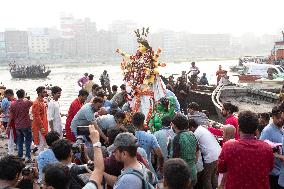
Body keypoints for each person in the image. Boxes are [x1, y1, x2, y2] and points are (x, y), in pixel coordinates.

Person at [218, 110, 274, 189]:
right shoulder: (267, 148)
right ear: (256, 130)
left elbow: (221, 168)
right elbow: (270, 168)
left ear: (238, 128)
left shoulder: (228, 146)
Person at [188, 119, 221, 189]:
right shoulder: (202, 128)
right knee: (213, 176)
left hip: (210, 157)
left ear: (191, 127)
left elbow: (194, 149)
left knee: (206, 179)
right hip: (218, 154)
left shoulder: (196, 134)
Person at [170, 113, 198, 185]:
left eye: (172, 124)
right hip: (193, 172)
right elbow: (197, 151)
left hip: (183, 176)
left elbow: (174, 160)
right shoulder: (191, 134)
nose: (171, 126)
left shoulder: (177, 138)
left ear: (175, 125)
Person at [260, 106, 284, 189]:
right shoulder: (267, 131)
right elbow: (262, 150)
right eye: (278, 118)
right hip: (273, 174)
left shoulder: (282, 128)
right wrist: (277, 156)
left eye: (282, 118)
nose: (280, 120)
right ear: (272, 117)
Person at [9, 89, 33, 161]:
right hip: (26, 124)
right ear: (24, 94)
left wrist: (8, 126)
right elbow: (33, 103)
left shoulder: (13, 104)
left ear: (17, 95)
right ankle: (27, 156)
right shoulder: (26, 102)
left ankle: (20, 155)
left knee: (20, 141)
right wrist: (26, 99)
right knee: (28, 141)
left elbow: (11, 115)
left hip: (17, 125)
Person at [32, 86, 48, 153]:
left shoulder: (42, 101)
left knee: (44, 143)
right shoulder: (36, 103)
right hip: (39, 127)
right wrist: (41, 127)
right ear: (39, 93)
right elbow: (36, 117)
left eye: (45, 92)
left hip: (44, 125)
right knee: (40, 145)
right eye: (44, 92)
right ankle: (38, 162)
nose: (45, 93)